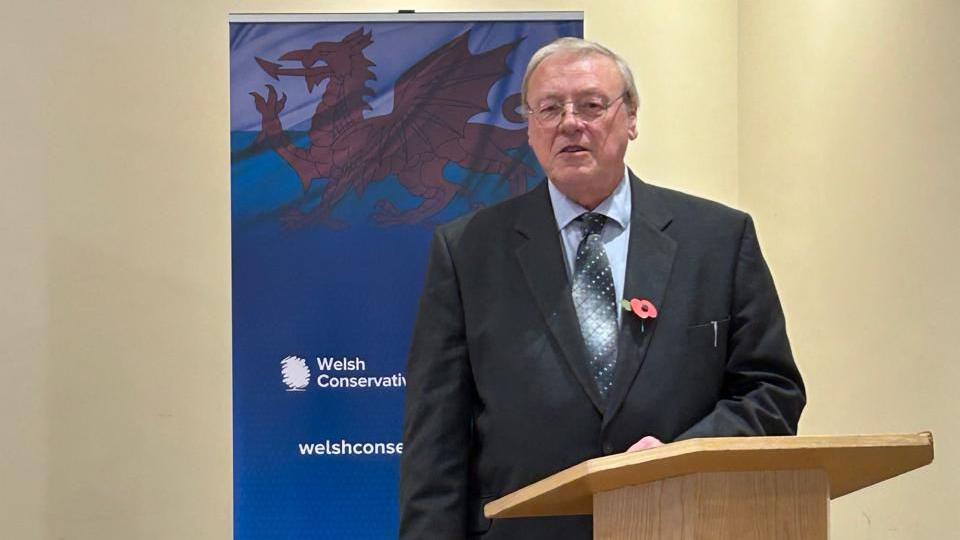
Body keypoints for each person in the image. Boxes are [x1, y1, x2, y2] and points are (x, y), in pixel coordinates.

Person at [399, 37, 805, 540]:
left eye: (591, 105)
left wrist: (682, 456)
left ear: (631, 117)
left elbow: (772, 392)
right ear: (529, 128)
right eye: (549, 109)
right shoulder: (468, 252)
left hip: (685, 524)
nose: (570, 123)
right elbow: (435, 441)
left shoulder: (718, 240)